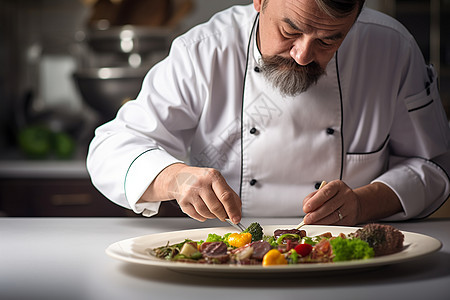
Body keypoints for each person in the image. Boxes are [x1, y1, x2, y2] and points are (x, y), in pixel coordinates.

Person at [87, 0, 450, 226]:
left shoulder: (392, 48)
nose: (303, 55)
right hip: (228, 254)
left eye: (329, 39)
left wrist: (362, 203)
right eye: (290, 29)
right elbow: (110, 147)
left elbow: (434, 166)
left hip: (348, 256)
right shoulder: (205, 50)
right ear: (259, 0)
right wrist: (175, 178)